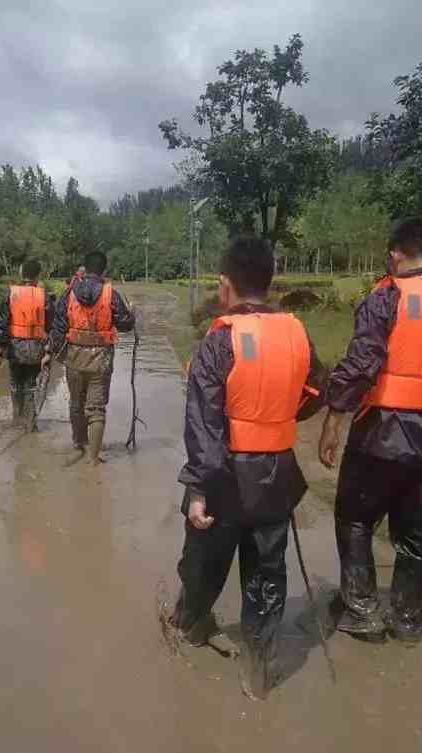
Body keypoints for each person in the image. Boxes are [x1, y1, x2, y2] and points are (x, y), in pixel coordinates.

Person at [171, 237, 327, 700]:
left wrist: (197, 491)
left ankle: (192, 624)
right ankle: (257, 666)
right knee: (265, 572)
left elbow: (203, 423)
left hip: (223, 478)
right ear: (269, 280)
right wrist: (275, 420)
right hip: (276, 478)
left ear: (225, 284)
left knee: (202, 560)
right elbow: (316, 390)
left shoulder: (219, 339)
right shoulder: (297, 333)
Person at [319, 218, 422, 645]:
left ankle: (361, 609)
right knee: (419, 530)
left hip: (382, 434)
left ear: (396, 254)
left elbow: (363, 361)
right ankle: (407, 618)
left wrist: (333, 417)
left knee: (356, 518)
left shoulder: (388, 296)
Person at [45, 250, 135, 464]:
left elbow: (58, 326)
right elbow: (125, 324)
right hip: (101, 359)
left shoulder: (69, 292)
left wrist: (52, 353)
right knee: (96, 408)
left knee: (76, 404)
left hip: (74, 357)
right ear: (104, 270)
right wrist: (131, 314)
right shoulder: (110, 294)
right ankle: (93, 458)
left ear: (84, 269)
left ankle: (79, 446)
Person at [0, 259, 55, 429]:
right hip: (36, 349)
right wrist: (49, 351)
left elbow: (2, 322)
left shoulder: (11, 293)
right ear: (38, 275)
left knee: (15, 383)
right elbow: (51, 325)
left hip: (15, 348)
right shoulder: (44, 295)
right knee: (31, 385)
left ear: (22, 274)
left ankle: (17, 418)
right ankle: (30, 423)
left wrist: (1, 345)